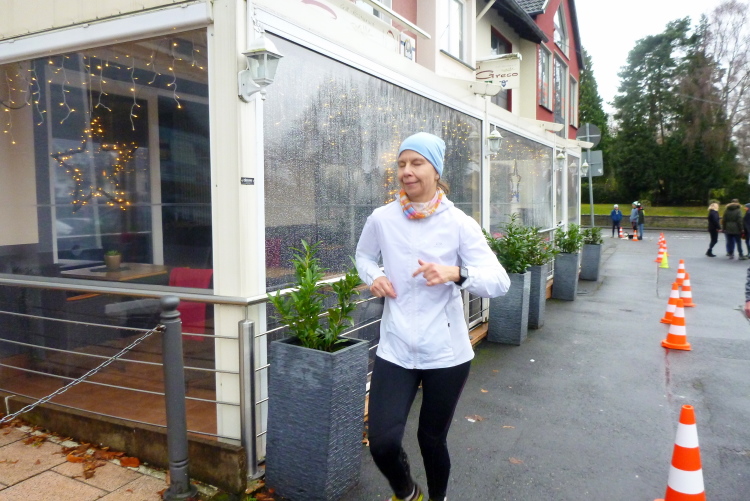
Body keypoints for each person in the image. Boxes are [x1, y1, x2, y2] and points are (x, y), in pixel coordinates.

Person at [355, 132, 510, 501]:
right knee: (382, 442)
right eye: (402, 164)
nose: (407, 171)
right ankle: (408, 493)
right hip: (396, 348)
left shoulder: (459, 223)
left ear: (436, 171)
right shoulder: (382, 218)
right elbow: (363, 256)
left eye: (417, 163)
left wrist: (457, 273)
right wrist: (374, 276)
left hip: (446, 353)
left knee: (431, 439)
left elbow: (499, 281)